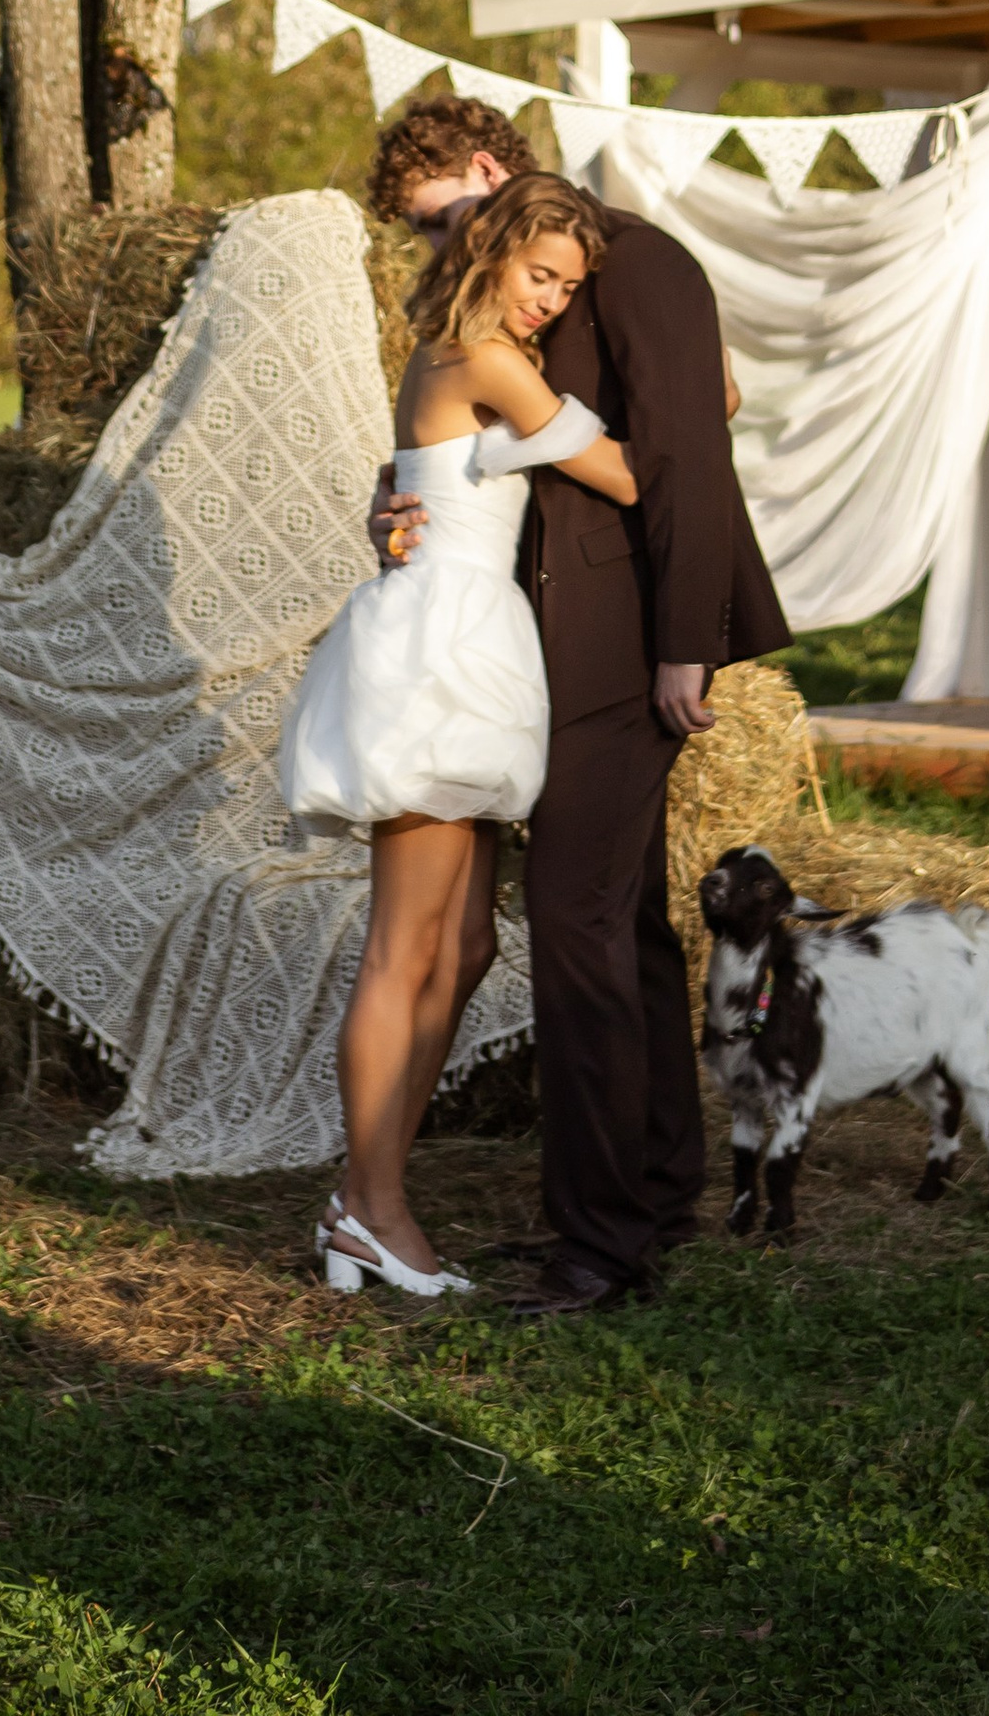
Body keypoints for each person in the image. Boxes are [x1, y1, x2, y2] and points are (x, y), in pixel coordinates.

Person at [366, 99, 792, 1320]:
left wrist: (683, 651)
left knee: (577, 932)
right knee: (625, 929)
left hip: (621, 652)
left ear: (492, 171)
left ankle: (601, 1251)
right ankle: (654, 1192)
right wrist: (394, 506)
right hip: (527, 644)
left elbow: (688, 462)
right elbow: (460, 433)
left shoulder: (639, 261)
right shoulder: (505, 289)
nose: (440, 245)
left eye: (446, 216)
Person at [277, 173, 638, 1298]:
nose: (550, 302)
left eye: (569, 288)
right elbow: (621, 471)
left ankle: (367, 1194)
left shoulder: (454, 357)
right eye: (541, 275)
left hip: (471, 633)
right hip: (437, 648)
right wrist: (694, 399)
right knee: (407, 944)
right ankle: (371, 1205)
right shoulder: (479, 358)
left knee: (468, 945)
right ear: (491, 249)